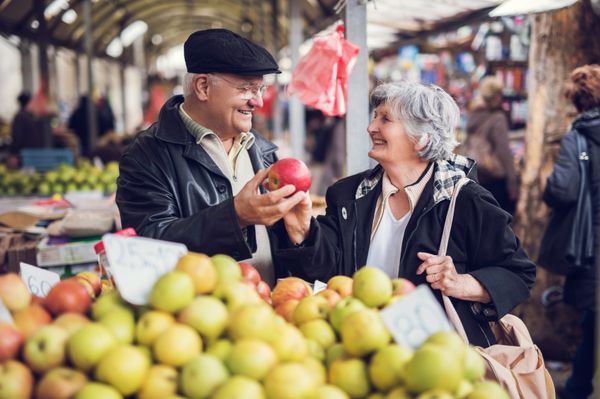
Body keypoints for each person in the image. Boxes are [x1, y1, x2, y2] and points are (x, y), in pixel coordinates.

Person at [274, 81, 536, 347]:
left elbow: (518, 273)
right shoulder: (347, 194)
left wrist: (462, 283)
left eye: (385, 119)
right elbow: (326, 268)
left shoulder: (466, 200)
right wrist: (301, 230)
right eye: (374, 116)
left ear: (422, 139)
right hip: (357, 345)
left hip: (435, 357)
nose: (371, 127)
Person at [116, 29, 306, 287]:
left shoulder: (263, 151)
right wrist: (235, 216)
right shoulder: (146, 155)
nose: (258, 101)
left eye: (260, 89)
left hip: (268, 313)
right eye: (247, 88)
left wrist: (302, 235)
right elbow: (148, 244)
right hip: (196, 314)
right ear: (203, 87)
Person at [547, 64, 599, 399]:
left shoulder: (578, 135)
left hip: (593, 240)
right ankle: (581, 382)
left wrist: (546, 184)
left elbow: (563, 190)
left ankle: (580, 386)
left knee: (593, 318)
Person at [465, 76, 518, 214]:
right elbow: (504, 151)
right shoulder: (497, 118)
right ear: (495, 97)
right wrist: (512, 182)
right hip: (495, 177)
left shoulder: (473, 115)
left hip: (477, 174)